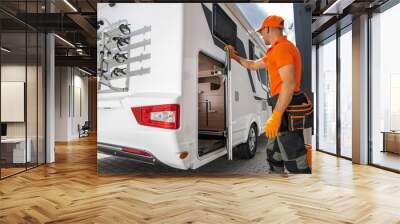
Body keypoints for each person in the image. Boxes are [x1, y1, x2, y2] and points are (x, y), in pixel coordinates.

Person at [224, 15, 311, 174]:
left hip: (286, 106)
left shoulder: (283, 48)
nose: (261, 35)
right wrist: (233, 56)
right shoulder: (275, 51)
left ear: (268, 29)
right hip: (281, 105)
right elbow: (252, 65)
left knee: (294, 158)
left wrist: (277, 115)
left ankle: (301, 192)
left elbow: (289, 83)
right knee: (274, 153)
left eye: (261, 32)